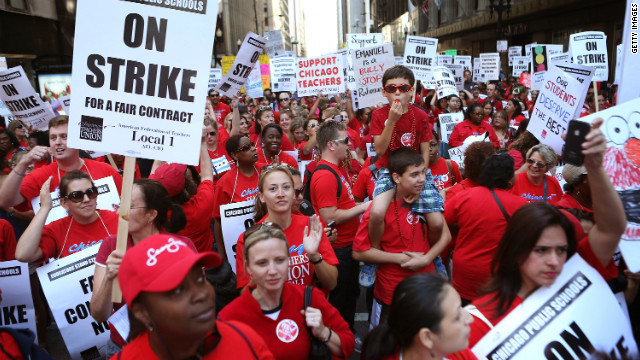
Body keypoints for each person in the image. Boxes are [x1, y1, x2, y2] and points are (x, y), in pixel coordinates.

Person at [467, 118, 626, 346]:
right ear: (515, 250)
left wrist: (595, 168)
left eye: (561, 250)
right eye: (541, 250)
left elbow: (612, 228)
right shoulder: (480, 320)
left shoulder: (574, 274)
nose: (554, 261)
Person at [113, 234, 275, 359]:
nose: (201, 294)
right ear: (142, 312)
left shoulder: (243, 338)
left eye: (200, 279)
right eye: (178, 290)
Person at [219, 225, 354, 359]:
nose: (272, 271)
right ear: (247, 267)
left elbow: (347, 343)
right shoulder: (229, 317)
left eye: (279, 260)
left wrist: (324, 332)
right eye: (262, 263)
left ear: (289, 261)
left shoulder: (309, 298)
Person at [353, 148, 451, 329]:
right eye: (414, 175)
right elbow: (359, 252)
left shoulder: (428, 203)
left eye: (423, 172)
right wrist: (399, 258)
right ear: (397, 178)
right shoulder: (378, 209)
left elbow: (446, 235)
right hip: (391, 293)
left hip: (425, 289)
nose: (421, 178)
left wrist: (428, 258)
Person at [90, 178, 188, 357]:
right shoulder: (112, 246)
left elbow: (196, 303)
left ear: (151, 215)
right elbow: (98, 315)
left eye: (130, 206)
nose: (119, 212)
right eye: (119, 204)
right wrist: (109, 279)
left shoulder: (180, 246)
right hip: (125, 346)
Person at [236, 165, 339, 291]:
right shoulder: (250, 238)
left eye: (286, 187)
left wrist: (314, 256)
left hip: (307, 307)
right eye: (273, 189)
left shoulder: (311, 226)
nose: (281, 194)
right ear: (262, 196)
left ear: (293, 193)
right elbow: (244, 295)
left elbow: (332, 283)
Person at [444, 154, 528, 304]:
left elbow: (440, 221)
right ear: (509, 179)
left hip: (465, 273)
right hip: (498, 276)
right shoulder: (520, 205)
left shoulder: (464, 197)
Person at [0, 116, 123, 209]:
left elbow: (128, 203)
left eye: (64, 136)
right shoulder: (40, 176)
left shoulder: (105, 170)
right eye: (53, 138)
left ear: (77, 140)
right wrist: (24, 163)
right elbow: (5, 201)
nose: (58, 142)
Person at [362, 273, 476, 360]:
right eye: (457, 316)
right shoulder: (451, 348)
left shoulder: (453, 350)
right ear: (427, 337)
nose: (470, 318)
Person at [15, 171, 118, 262]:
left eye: (91, 192)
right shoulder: (57, 230)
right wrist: (44, 209)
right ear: (64, 203)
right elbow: (23, 254)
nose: (86, 199)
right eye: (77, 195)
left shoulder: (118, 219)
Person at [151, 141, 215, 253]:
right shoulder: (200, 205)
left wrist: (163, 139)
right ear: (186, 184)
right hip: (203, 266)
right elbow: (207, 175)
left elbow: (156, 166)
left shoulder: (152, 211)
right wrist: (203, 143)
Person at [213, 134, 261, 260]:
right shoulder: (224, 184)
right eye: (246, 148)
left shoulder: (266, 171)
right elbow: (218, 221)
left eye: (252, 144)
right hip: (241, 248)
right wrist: (222, 255)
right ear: (234, 155)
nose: (253, 149)